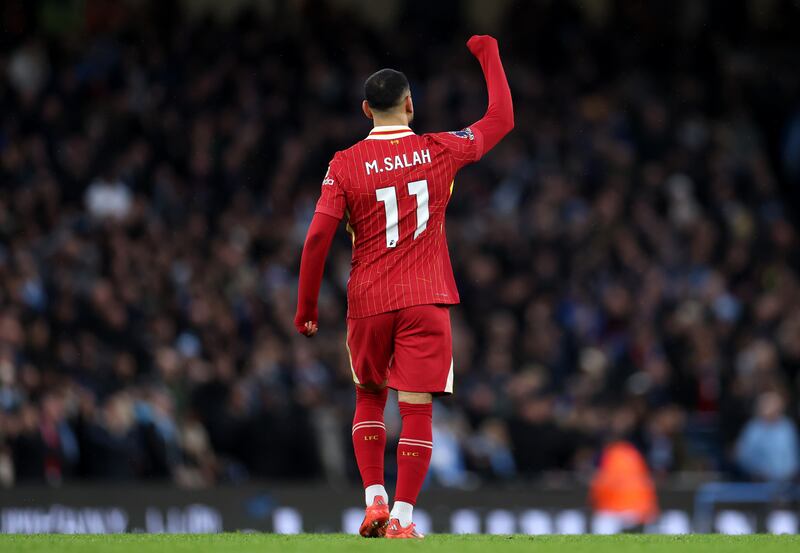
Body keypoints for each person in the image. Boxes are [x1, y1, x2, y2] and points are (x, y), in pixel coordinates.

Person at [294, 35, 513, 539]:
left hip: (367, 301)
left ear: (365, 108)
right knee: (416, 409)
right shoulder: (439, 149)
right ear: (410, 105)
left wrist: (306, 309)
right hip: (424, 298)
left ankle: (373, 502)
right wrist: (487, 53)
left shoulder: (343, 164)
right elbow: (501, 120)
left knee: (369, 398)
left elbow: (315, 241)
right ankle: (403, 520)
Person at [735, 392, 800, 481]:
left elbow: (794, 454)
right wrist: (757, 472)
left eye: (775, 406)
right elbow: (743, 456)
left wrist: (791, 473)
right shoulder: (753, 428)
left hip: (787, 483)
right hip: (758, 482)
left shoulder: (787, 427)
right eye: (768, 406)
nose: (772, 409)